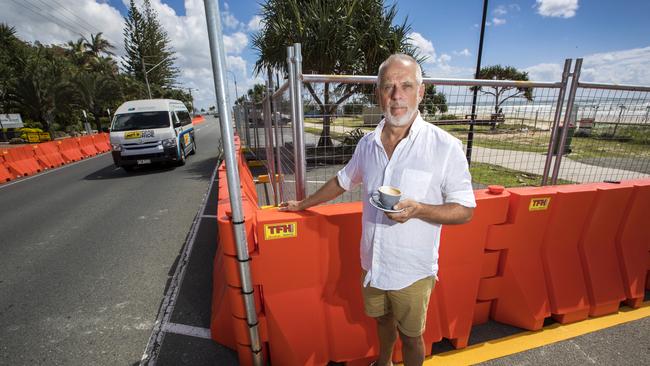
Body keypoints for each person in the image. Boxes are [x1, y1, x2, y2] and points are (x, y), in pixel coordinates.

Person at [279, 54, 476, 366]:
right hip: (372, 264)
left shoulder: (445, 147)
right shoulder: (367, 145)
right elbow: (342, 181)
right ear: (378, 94)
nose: (397, 96)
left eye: (406, 86)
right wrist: (303, 204)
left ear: (420, 92)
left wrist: (419, 209)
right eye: (389, 87)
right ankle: (383, 363)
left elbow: (465, 210)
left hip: (412, 271)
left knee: (412, 337)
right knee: (382, 323)